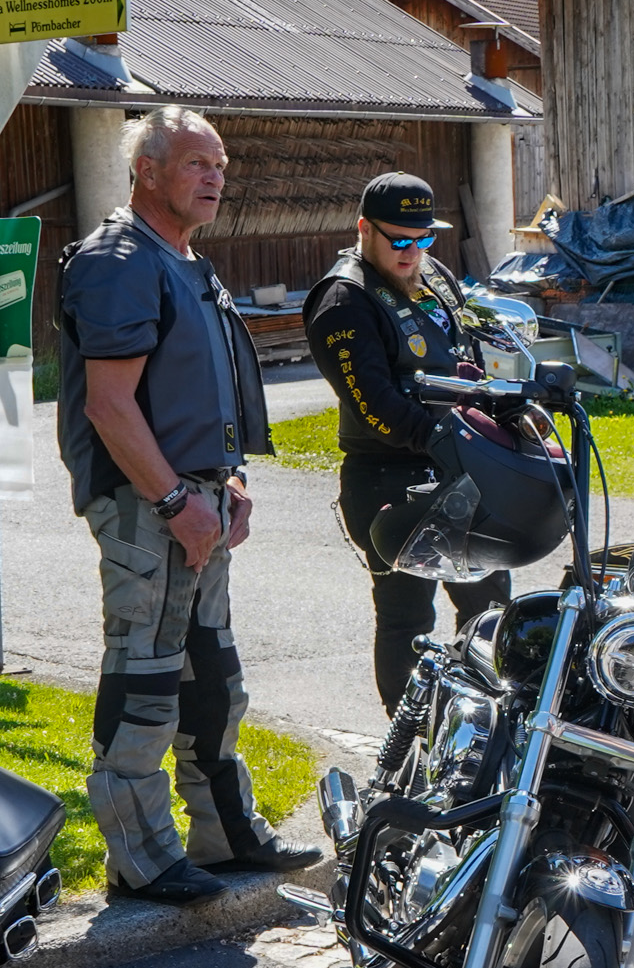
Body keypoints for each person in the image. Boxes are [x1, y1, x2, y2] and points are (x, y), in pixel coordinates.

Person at [59, 105, 321, 906]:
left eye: (220, 166)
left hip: (196, 497)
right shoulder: (118, 260)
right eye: (197, 164)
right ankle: (140, 859)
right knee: (144, 677)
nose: (215, 178)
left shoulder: (183, 258)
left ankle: (227, 836)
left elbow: (190, 393)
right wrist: (176, 499)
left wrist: (226, 483)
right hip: (148, 505)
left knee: (212, 678)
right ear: (148, 171)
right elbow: (110, 405)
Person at [303, 172, 512, 715]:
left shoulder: (434, 273)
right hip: (390, 477)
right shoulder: (343, 300)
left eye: (424, 238)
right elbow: (374, 405)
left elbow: (466, 350)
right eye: (398, 240)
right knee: (408, 617)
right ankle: (407, 740)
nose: (412, 252)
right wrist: (452, 436)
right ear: (363, 229)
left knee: (490, 604)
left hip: (462, 468)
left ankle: (482, 721)